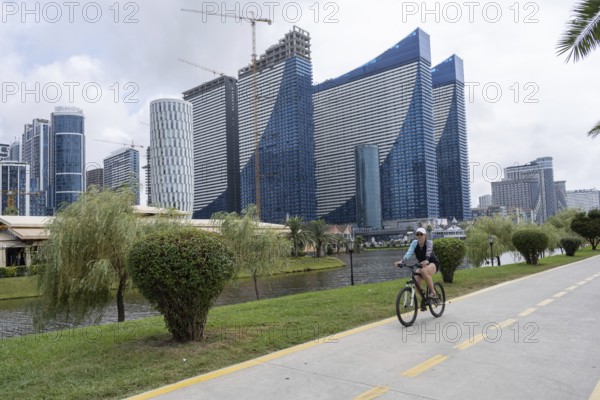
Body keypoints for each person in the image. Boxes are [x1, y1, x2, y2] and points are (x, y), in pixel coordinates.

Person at [395, 227, 440, 311]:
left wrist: (426, 260)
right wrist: (401, 262)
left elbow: (429, 252)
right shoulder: (414, 243)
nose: (419, 236)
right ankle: (424, 298)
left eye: (421, 234)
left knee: (424, 271)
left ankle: (433, 293)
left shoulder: (429, 242)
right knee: (416, 279)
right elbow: (409, 253)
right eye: (417, 234)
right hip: (422, 265)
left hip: (432, 263)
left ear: (425, 235)